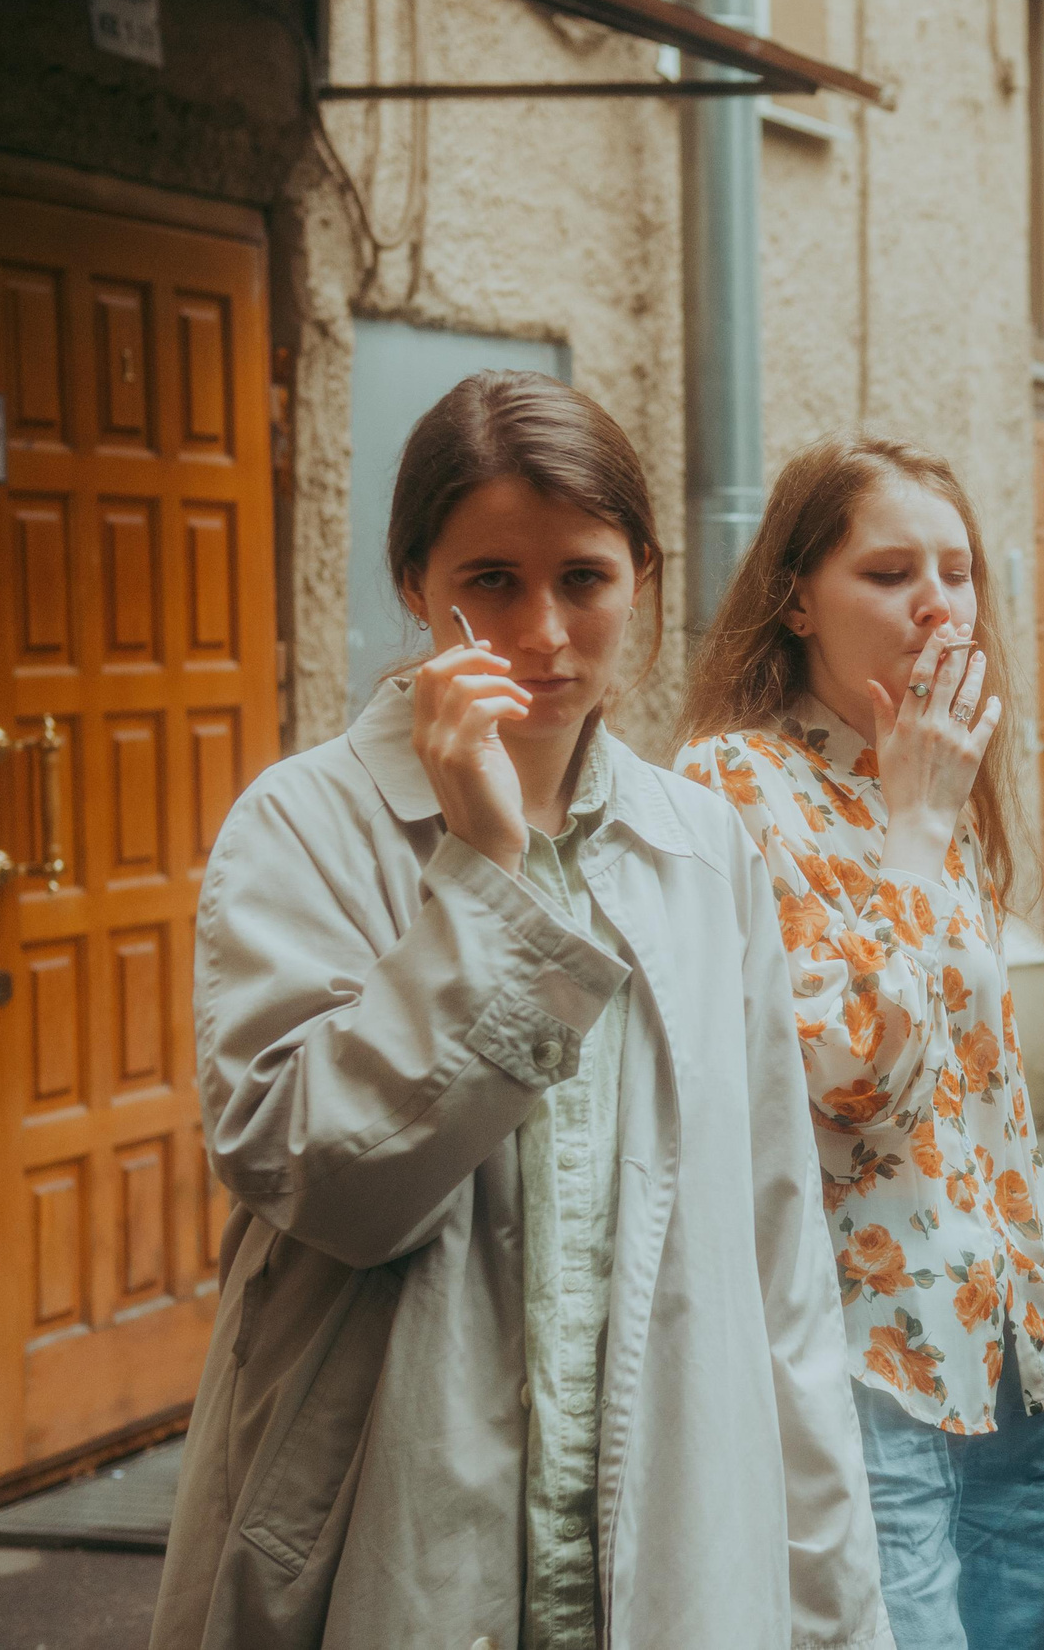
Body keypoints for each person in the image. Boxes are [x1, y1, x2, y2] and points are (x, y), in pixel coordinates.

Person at [150, 372, 889, 1650]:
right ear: (413, 583)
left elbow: (778, 1255)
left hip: (670, 1544)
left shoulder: (703, 849)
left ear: (642, 581)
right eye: (490, 581)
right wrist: (485, 877)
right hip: (393, 1535)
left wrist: (833, 1606)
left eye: (584, 580)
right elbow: (323, 1177)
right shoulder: (303, 825)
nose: (543, 633)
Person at [675, 433, 1044, 1650]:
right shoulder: (732, 786)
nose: (937, 605)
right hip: (874, 1368)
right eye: (891, 572)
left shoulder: (932, 772)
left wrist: (1042, 1283)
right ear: (797, 597)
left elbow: (981, 1086)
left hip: (1016, 1349)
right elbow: (852, 1075)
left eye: (956, 572)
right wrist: (914, 824)